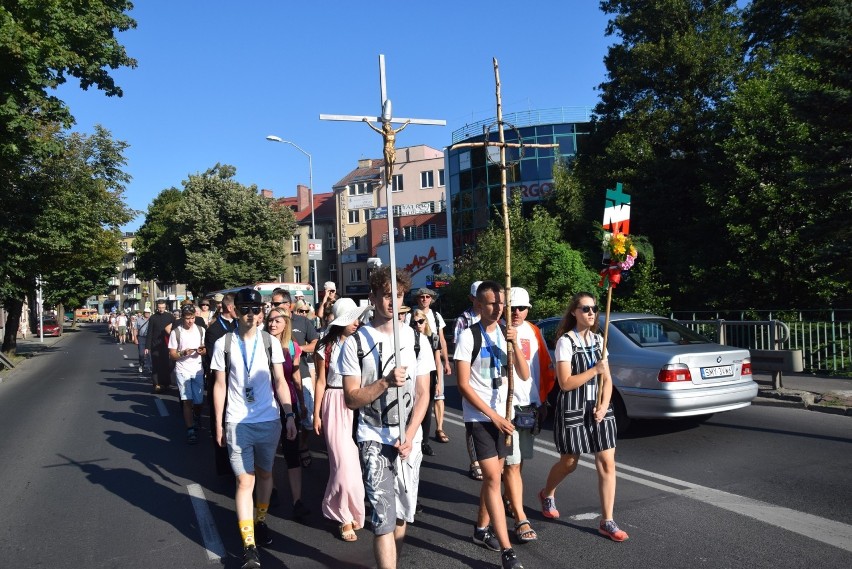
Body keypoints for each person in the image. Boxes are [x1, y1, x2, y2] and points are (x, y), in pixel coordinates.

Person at [340, 267, 432, 569]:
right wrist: (384, 383)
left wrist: (411, 432)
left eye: (400, 295)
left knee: (402, 514)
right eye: (387, 294)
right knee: (382, 517)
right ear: (373, 297)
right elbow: (351, 398)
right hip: (373, 437)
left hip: (408, 439)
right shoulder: (356, 342)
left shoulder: (416, 341)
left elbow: (423, 394)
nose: (394, 301)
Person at [211, 288, 298, 569]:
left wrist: (289, 414)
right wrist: (218, 423)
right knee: (244, 481)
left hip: (269, 420)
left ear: (261, 312)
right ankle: (249, 546)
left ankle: (260, 522)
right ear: (235, 310)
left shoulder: (271, 343)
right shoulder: (223, 343)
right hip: (237, 422)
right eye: (245, 309)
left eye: (255, 309)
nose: (251, 314)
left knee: (265, 474)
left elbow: (280, 381)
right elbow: (220, 385)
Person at [540, 292, 628, 542]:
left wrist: (604, 405)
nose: (591, 313)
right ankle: (547, 493)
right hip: (573, 406)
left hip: (599, 407)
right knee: (570, 463)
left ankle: (607, 521)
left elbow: (607, 380)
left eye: (594, 309)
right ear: (574, 312)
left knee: (607, 462)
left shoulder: (600, 340)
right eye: (585, 309)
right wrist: (594, 370)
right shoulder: (565, 342)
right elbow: (565, 383)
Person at [455, 280, 529, 569]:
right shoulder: (468, 337)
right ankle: (507, 551)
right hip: (482, 419)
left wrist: (514, 344)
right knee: (493, 479)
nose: (498, 309)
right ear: (478, 305)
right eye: (491, 303)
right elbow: (462, 385)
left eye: (501, 304)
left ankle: (480, 528)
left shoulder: (504, 333)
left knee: (494, 478)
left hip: (504, 418)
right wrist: (493, 417)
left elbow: (522, 374)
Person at [502, 287, 555, 543]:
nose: (517, 313)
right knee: (511, 464)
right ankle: (520, 517)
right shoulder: (495, 329)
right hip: (505, 406)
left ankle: (508, 498)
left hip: (528, 405)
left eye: (521, 308)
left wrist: (542, 399)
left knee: (519, 461)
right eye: (512, 308)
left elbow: (543, 366)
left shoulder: (533, 331)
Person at [313, 298, 367, 542]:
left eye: (357, 318)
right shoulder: (326, 346)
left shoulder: (362, 343)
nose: (356, 323)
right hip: (334, 402)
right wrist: (316, 413)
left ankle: (351, 511)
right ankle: (343, 516)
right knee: (342, 465)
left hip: (359, 403)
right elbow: (321, 381)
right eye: (351, 319)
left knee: (356, 464)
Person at [264, 307, 311, 520]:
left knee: (292, 453)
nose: (272, 324)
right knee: (269, 452)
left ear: (286, 324)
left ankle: (297, 500)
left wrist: (301, 403)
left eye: (277, 321)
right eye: (270, 320)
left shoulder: (292, 347)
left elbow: (294, 377)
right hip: (266, 405)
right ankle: (270, 489)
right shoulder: (261, 345)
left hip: (287, 402)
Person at [270, 288, 319, 468]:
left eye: (277, 304)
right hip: (277, 378)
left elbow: (315, 345)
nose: (273, 307)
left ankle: (303, 444)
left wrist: (296, 350)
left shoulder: (303, 321)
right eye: (272, 304)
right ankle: (285, 445)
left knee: (308, 418)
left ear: (288, 304)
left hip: (300, 373)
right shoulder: (270, 324)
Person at [455, 280, 483, 481]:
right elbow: (460, 353)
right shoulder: (464, 320)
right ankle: (474, 462)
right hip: (471, 378)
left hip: (490, 379)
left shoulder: (496, 318)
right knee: (472, 425)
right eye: (477, 298)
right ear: (472, 298)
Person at [168, 304, 207, 444]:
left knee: (199, 401)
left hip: (197, 370)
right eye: (187, 318)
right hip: (182, 370)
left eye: (193, 318)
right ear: (183, 318)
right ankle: (190, 429)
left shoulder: (201, 330)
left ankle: (197, 416)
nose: (190, 321)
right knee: (186, 401)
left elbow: (206, 348)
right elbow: (172, 355)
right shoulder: (176, 332)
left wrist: (203, 351)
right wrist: (182, 353)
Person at [409, 307, 444, 457]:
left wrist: (439, 382)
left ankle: (425, 442)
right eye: (414, 322)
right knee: (412, 409)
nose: (418, 325)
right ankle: (412, 437)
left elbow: (438, 361)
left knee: (427, 410)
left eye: (421, 321)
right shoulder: (408, 338)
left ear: (426, 322)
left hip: (429, 377)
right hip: (413, 379)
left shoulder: (433, 338)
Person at [362, 118, 410, 186]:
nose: (386, 127)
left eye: (387, 126)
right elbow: (374, 128)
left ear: (390, 126)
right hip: (387, 149)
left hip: (392, 149)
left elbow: (401, 128)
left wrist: (406, 123)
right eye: (385, 126)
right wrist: (368, 122)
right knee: (388, 162)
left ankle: (390, 176)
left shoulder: (394, 132)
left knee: (392, 163)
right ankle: (388, 177)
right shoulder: (384, 133)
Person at [145, 299, 176, 394]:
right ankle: (156, 383)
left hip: (167, 344)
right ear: (157, 307)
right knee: (156, 365)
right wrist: (147, 347)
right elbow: (149, 332)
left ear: (165, 307)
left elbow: (174, 331)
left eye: (163, 307)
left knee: (167, 364)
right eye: (159, 308)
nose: (161, 309)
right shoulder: (153, 318)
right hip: (155, 345)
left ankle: (166, 383)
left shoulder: (170, 317)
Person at [135, 307, 152, 373]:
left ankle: (149, 367)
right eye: (146, 313)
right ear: (144, 313)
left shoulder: (152, 319)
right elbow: (135, 329)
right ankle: (141, 365)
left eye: (148, 313)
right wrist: (135, 338)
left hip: (149, 338)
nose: (147, 314)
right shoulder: (139, 320)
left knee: (149, 354)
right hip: (141, 338)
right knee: (141, 354)